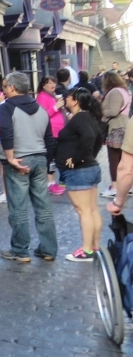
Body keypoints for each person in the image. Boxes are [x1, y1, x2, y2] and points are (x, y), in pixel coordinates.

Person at [0, 71, 58, 263]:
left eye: (5, 86)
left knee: (18, 207)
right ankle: (48, 249)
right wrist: (46, 161)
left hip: (19, 160)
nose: (4, 90)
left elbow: (6, 132)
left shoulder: (7, 107)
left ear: (13, 88)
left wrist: (10, 157)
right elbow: (49, 139)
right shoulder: (40, 109)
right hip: (39, 158)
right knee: (43, 207)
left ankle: (20, 250)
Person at [56, 88, 106, 262]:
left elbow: (90, 136)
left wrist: (78, 158)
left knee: (83, 210)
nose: (65, 100)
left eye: (67, 98)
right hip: (88, 169)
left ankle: (87, 250)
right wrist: (89, 155)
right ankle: (94, 248)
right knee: (91, 210)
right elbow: (98, 138)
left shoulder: (79, 119)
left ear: (75, 101)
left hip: (79, 172)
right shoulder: (88, 118)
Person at [100, 71, 131, 199]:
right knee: (124, 160)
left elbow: (113, 111)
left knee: (114, 160)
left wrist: (100, 110)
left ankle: (114, 187)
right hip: (124, 126)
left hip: (116, 128)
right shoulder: (125, 91)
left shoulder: (115, 92)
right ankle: (126, 186)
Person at [35, 76, 66, 195]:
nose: (52, 85)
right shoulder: (42, 97)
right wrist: (55, 107)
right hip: (51, 133)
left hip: (58, 132)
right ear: (43, 85)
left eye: (54, 82)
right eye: (49, 83)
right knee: (50, 158)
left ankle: (53, 182)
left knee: (54, 158)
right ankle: (50, 183)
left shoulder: (53, 96)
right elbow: (43, 115)